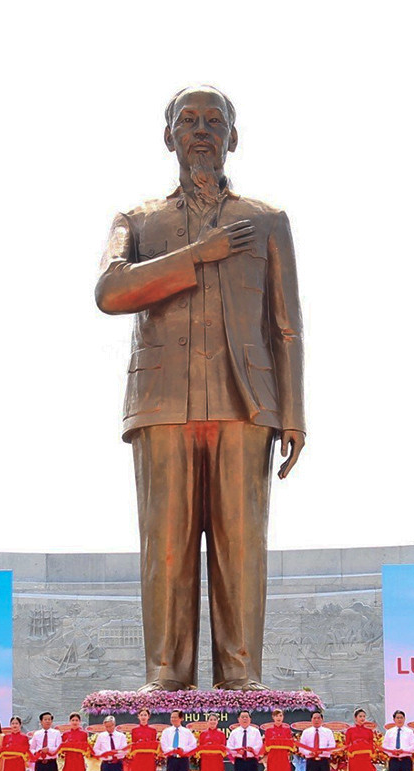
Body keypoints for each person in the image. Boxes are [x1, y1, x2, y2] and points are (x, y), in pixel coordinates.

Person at [95, 85, 307, 694]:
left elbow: (286, 325)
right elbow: (110, 292)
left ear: (232, 137)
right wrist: (198, 254)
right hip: (163, 403)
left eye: (215, 121)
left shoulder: (267, 220)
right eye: (187, 121)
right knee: (165, 542)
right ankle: (166, 675)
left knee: (242, 547)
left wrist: (293, 414)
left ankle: (242, 678)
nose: (201, 130)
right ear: (169, 136)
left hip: (247, 404)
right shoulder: (137, 221)